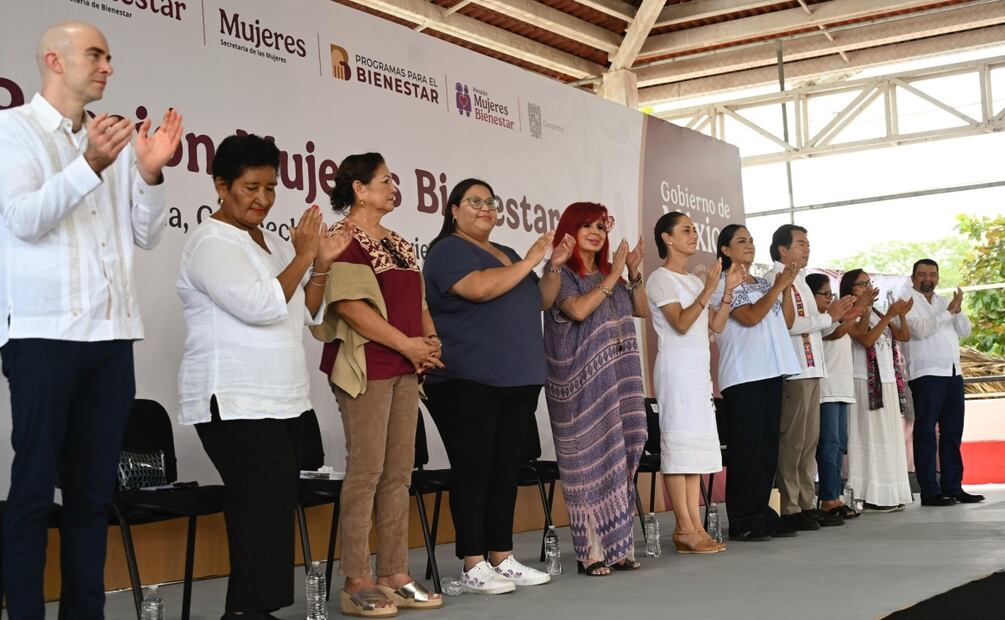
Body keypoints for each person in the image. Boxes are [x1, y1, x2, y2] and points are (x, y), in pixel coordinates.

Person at [0, 21, 182, 617]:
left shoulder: (111, 142)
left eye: (110, 57)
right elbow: (25, 220)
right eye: (96, 54)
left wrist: (149, 171)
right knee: (31, 492)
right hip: (42, 337)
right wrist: (90, 164)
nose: (108, 66)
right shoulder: (11, 132)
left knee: (91, 497)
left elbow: (146, 233)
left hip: (110, 339)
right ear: (54, 58)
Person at [176, 134, 349, 619]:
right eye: (250, 187)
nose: (262, 199)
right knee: (259, 508)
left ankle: (255, 610)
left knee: (271, 508)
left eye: (270, 188)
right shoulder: (210, 243)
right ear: (221, 185)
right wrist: (302, 256)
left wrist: (320, 263)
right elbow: (260, 306)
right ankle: (246, 612)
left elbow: (306, 313)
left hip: (281, 399)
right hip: (232, 399)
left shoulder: (273, 241)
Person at [312, 153, 443, 616]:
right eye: (385, 180)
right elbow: (349, 306)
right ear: (359, 189)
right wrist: (407, 346)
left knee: (398, 473)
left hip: (406, 368)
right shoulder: (342, 238)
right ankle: (356, 579)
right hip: (365, 365)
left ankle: (393, 572)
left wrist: (428, 341)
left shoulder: (402, 243)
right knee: (366, 472)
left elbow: (419, 302)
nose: (393, 186)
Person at [423, 178, 559, 593]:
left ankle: (501, 556)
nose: (485, 208)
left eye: (490, 202)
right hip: (468, 378)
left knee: (504, 469)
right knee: (475, 468)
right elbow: (480, 289)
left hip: (516, 378)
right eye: (475, 201)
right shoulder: (446, 250)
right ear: (454, 209)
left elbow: (541, 301)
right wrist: (531, 260)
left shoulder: (508, 253)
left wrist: (551, 265)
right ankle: (472, 563)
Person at [543, 202, 648, 575]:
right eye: (587, 225)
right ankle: (591, 552)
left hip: (619, 382)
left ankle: (619, 547)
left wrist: (632, 273)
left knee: (622, 455)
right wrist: (614, 274)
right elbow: (577, 311)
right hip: (579, 388)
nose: (595, 232)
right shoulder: (562, 276)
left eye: (601, 227)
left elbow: (641, 310)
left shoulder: (614, 277)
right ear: (570, 230)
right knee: (588, 463)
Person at [646, 212, 743, 554]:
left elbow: (714, 326)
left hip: (698, 373)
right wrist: (709, 289)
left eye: (694, 229)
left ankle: (695, 526)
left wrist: (726, 291)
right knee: (679, 447)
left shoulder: (691, 280)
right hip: (676, 372)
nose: (693, 234)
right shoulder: (661, 279)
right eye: (685, 230)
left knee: (695, 449)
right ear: (666, 238)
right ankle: (684, 527)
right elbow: (682, 323)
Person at [712, 224, 801, 541]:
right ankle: (742, 517)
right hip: (743, 374)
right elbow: (748, 317)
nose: (749, 245)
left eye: (751, 240)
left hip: (770, 371)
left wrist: (784, 287)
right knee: (746, 447)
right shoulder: (722, 283)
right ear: (725, 250)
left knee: (766, 447)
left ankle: (761, 512)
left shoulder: (764, 283)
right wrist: (776, 289)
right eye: (741, 241)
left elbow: (787, 322)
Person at [765, 226, 857, 531]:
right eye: (801, 244)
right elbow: (787, 325)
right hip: (793, 371)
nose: (807, 249)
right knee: (792, 441)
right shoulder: (774, 279)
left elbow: (819, 328)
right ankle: (789, 506)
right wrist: (828, 317)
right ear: (782, 249)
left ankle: (807, 502)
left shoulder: (803, 280)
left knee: (808, 442)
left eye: (808, 244)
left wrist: (836, 317)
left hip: (813, 368)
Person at [901, 259, 984, 506]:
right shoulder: (907, 301)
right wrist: (948, 312)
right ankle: (930, 491)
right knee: (926, 432)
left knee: (952, 433)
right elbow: (920, 331)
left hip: (952, 374)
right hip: (926, 373)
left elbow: (965, 331)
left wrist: (956, 311)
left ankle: (953, 486)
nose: (928, 278)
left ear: (938, 277)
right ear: (913, 277)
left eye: (933, 274)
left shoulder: (941, 301)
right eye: (923, 274)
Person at [840, 269, 914, 512]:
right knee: (869, 435)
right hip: (865, 380)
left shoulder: (877, 312)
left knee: (889, 436)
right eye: (861, 284)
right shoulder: (846, 313)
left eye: (868, 282)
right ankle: (869, 494)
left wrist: (900, 315)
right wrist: (884, 315)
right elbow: (866, 339)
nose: (867, 286)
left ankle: (890, 491)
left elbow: (903, 335)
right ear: (850, 289)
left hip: (888, 381)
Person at [805, 273, 862, 520]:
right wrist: (857, 309)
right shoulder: (818, 321)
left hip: (842, 388)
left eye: (831, 295)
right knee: (828, 446)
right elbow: (837, 332)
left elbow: (856, 328)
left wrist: (861, 309)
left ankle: (835, 496)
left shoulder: (830, 317)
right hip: (826, 391)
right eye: (825, 294)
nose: (830, 299)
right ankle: (828, 498)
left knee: (839, 445)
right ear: (811, 295)